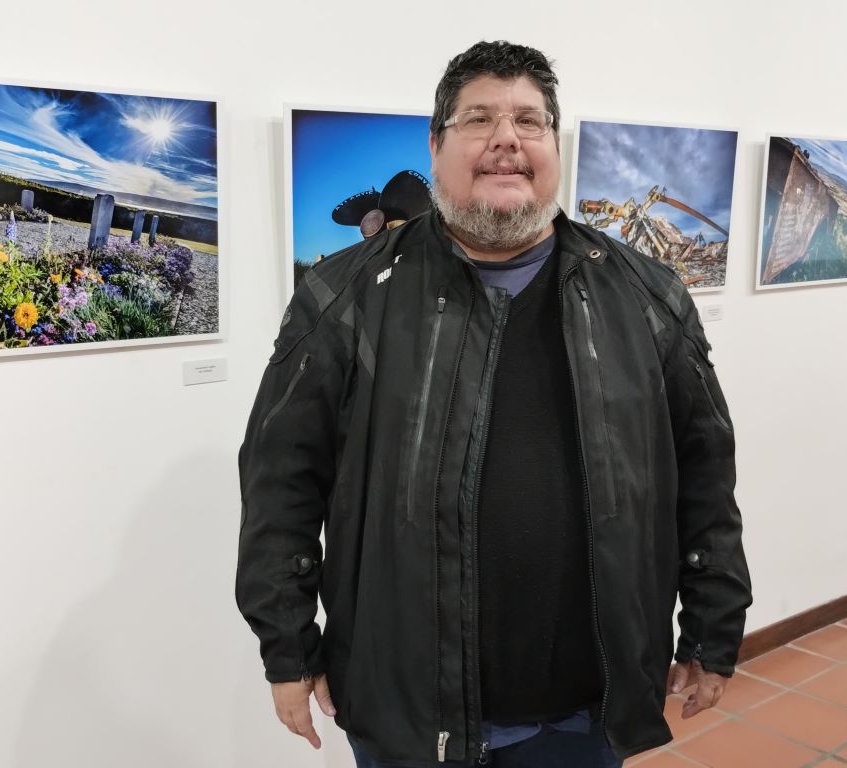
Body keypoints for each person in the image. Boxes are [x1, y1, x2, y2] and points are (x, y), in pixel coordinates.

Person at [236, 40, 751, 767]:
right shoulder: (342, 297)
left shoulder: (648, 298)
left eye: (529, 122)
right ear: (437, 144)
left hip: (581, 712)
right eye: (479, 119)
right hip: (408, 708)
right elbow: (280, 483)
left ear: (554, 146)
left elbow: (705, 473)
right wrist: (287, 649)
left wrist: (712, 625)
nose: (506, 139)